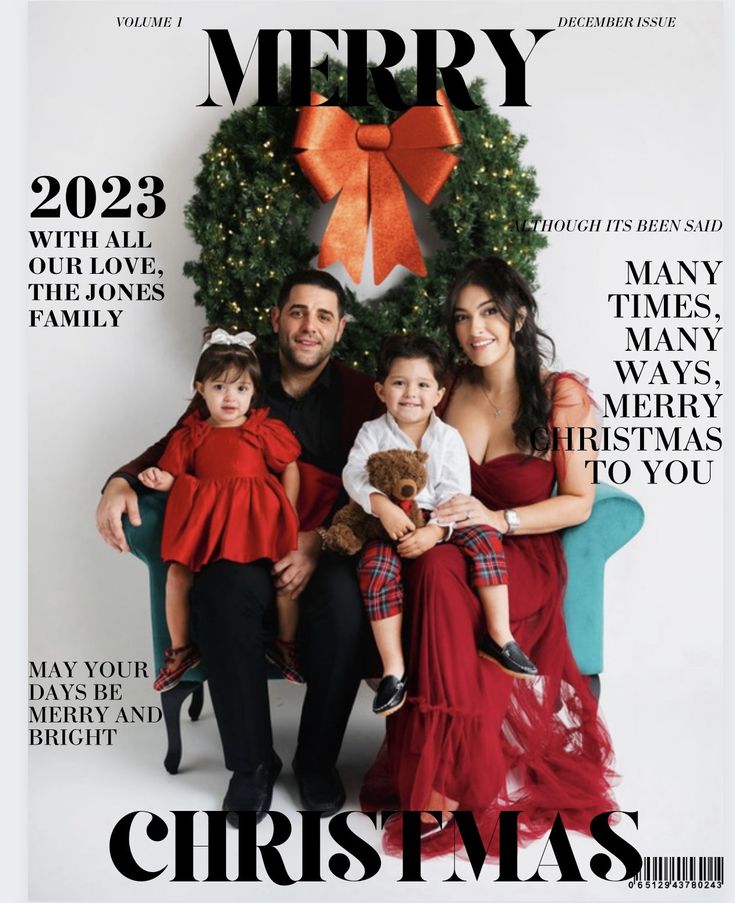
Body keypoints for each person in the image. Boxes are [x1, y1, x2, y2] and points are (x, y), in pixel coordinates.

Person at [96, 270, 382, 824]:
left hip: (321, 542)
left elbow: (377, 477)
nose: (309, 326)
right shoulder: (240, 374)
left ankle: (318, 761)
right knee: (223, 593)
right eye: (298, 312)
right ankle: (250, 765)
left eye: (324, 316)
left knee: (345, 609)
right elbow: (173, 444)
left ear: (340, 330)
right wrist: (119, 479)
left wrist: (317, 544)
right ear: (276, 319)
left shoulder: (356, 393)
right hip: (242, 538)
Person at [360, 256, 616, 855]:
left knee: (443, 573)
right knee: (434, 569)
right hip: (452, 545)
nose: (475, 329)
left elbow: (579, 502)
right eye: (462, 318)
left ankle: (441, 779)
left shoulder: (564, 396)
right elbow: (404, 459)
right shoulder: (447, 388)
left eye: (490, 313)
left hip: (521, 555)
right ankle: (445, 771)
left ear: (519, 317)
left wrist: (500, 519)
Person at [343, 334, 537, 718]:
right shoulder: (372, 432)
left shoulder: (448, 438)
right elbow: (353, 474)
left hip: (440, 522)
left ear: (438, 394)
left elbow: (456, 493)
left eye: (422, 385)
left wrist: (435, 531)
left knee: (484, 535)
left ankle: (500, 636)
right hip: (389, 523)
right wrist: (381, 505)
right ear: (381, 390)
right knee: (376, 567)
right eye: (399, 383)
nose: (410, 394)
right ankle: (393, 670)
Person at [137, 329, 302, 691]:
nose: (230, 397)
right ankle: (181, 650)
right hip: (207, 520)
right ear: (201, 388)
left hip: (255, 518)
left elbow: (289, 465)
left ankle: (285, 645)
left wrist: (287, 508)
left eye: (241, 389)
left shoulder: (261, 430)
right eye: (219, 387)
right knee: (178, 575)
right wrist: (157, 478)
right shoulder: (191, 435)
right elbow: (173, 475)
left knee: (283, 575)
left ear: (253, 393)